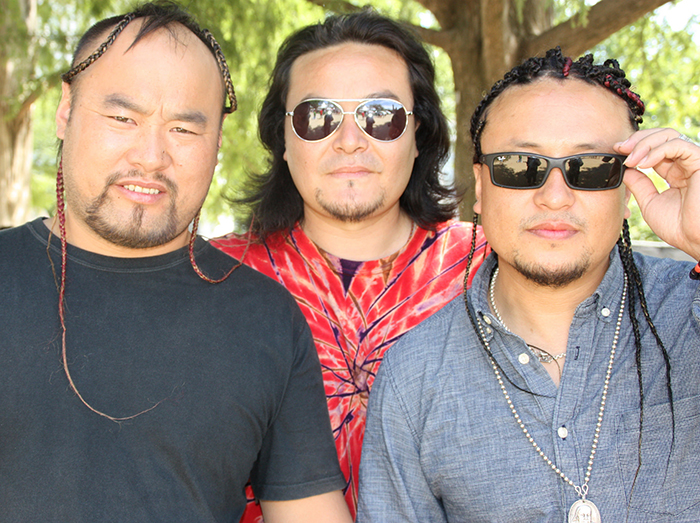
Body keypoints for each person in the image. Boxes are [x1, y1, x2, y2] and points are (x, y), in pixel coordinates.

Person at [0, 3, 352, 522]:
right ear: (65, 109)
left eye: (184, 131)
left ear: (216, 145)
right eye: (123, 118)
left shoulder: (265, 319)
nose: (151, 155)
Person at [357, 47, 700, 522]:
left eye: (592, 167)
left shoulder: (689, 313)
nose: (555, 196)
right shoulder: (413, 378)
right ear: (480, 187)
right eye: (521, 166)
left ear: (628, 189)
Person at [213, 10, 489, 519]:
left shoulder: (493, 268)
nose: (349, 141)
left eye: (379, 115)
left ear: (419, 132)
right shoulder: (213, 279)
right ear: (283, 138)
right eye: (317, 116)